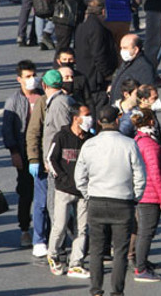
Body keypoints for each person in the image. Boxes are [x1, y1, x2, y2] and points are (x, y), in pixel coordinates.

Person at [75, 106, 146, 296]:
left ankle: (96, 290)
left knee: (97, 250)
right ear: (118, 120)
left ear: (99, 122)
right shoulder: (129, 144)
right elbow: (140, 176)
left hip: (96, 201)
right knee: (120, 251)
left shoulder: (89, 145)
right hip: (122, 202)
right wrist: (135, 196)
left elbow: (79, 177)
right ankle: (117, 292)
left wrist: (88, 194)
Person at [25, 69, 73, 258]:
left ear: (44, 85)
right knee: (51, 204)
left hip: (58, 165)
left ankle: (58, 245)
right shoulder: (55, 102)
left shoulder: (58, 104)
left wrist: (52, 161)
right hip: (54, 162)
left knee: (57, 206)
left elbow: (63, 134)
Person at [44, 102, 91, 277]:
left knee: (82, 229)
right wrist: (62, 178)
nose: (89, 119)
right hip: (64, 190)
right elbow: (51, 159)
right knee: (60, 225)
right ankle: (53, 255)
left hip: (83, 192)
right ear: (75, 118)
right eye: (86, 115)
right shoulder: (61, 137)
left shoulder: (88, 139)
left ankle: (76, 263)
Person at [1, 60, 42, 247]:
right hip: (24, 153)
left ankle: (45, 230)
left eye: (33, 75)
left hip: (43, 152)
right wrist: (14, 152)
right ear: (19, 79)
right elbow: (7, 129)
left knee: (46, 193)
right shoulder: (13, 101)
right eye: (27, 77)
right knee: (26, 192)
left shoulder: (43, 96)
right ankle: (25, 229)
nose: (32, 79)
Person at [132, 109, 161, 282]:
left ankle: (142, 262)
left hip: (144, 194)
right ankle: (141, 269)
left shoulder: (140, 140)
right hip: (150, 196)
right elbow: (155, 173)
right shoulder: (148, 144)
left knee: (145, 231)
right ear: (150, 122)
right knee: (146, 232)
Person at [109, 34, 157, 104]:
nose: (122, 51)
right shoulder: (127, 62)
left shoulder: (144, 67)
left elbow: (147, 93)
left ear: (136, 49)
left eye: (125, 48)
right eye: (121, 48)